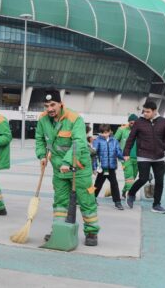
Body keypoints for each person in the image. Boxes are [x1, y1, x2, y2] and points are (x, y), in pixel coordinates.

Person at [35, 90, 99, 246]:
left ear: (60, 103)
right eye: (46, 106)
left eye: (52, 105)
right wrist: (42, 155)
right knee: (60, 201)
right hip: (59, 169)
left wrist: (67, 162)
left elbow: (79, 142)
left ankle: (91, 232)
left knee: (86, 201)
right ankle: (59, 230)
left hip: (79, 167)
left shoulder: (74, 118)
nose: (49, 109)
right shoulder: (43, 119)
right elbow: (39, 139)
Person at [124, 101, 165, 214]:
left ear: (154, 111)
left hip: (159, 156)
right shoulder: (139, 122)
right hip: (144, 155)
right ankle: (131, 193)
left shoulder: (163, 121)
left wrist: (163, 147)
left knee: (160, 181)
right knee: (143, 178)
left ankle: (156, 205)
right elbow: (131, 138)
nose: (145, 113)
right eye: (144, 111)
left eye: (148, 111)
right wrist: (126, 153)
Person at [92, 124, 125, 210]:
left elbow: (118, 152)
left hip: (111, 167)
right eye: (102, 133)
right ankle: (91, 199)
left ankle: (117, 202)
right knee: (97, 185)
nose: (104, 134)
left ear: (110, 131)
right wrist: (94, 168)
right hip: (102, 167)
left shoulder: (114, 141)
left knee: (114, 184)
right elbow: (94, 155)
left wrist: (123, 157)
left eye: (106, 132)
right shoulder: (97, 141)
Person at [114, 114, 138, 197]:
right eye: (131, 123)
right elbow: (114, 141)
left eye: (135, 123)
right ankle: (130, 194)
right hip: (126, 158)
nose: (133, 124)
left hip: (138, 158)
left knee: (133, 177)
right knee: (129, 176)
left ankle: (125, 190)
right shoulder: (122, 130)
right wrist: (118, 153)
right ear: (128, 122)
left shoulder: (141, 130)